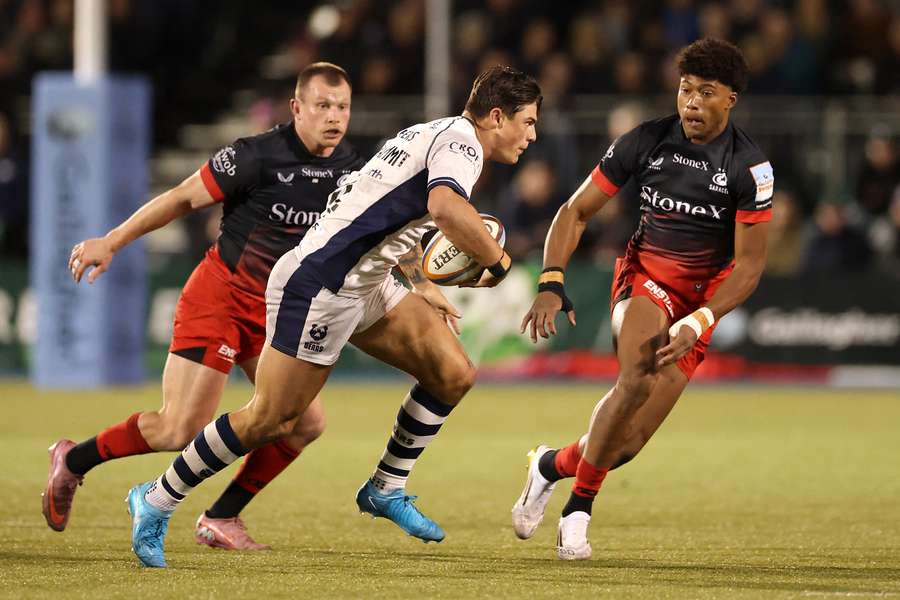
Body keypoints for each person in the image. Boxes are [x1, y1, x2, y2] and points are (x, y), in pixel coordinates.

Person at [123, 65, 541, 568]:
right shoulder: (463, 144)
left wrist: (419, 282)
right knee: (272, 418)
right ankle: (157, 497)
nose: (532, 135)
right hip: (321, 284)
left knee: (453, 372)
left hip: (369, 279)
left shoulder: (436, 131)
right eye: (528, 122)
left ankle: (385, 487)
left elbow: (381, 210)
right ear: (497, 117)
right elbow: (446, 208)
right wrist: (498, 261)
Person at [44, 62, 397, 551]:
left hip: (277, 312)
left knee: (303, 424)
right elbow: (182, 199)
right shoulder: (255, 156)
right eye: (322, 106)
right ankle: (73, 460)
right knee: (178, 428)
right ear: (296, 108)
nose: (334, 117)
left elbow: (377, 239)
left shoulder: (354, 168)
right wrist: (113, 240)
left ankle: (222, 517)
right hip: (222, 298)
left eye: (342, 107)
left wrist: (423, 286)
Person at [514, 38, 773, 560]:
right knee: (635, 379)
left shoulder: (751, 169)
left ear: (731, 100)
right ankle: (577, 513)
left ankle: (549, 466)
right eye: (684, 91)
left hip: (698, 306)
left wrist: (699, 320)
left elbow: (749, 267)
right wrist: (551, 280)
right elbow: (575, 212)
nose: (691, 103)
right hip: (644, 280)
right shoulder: (645, 141)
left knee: (624, 445)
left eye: (706, 93)